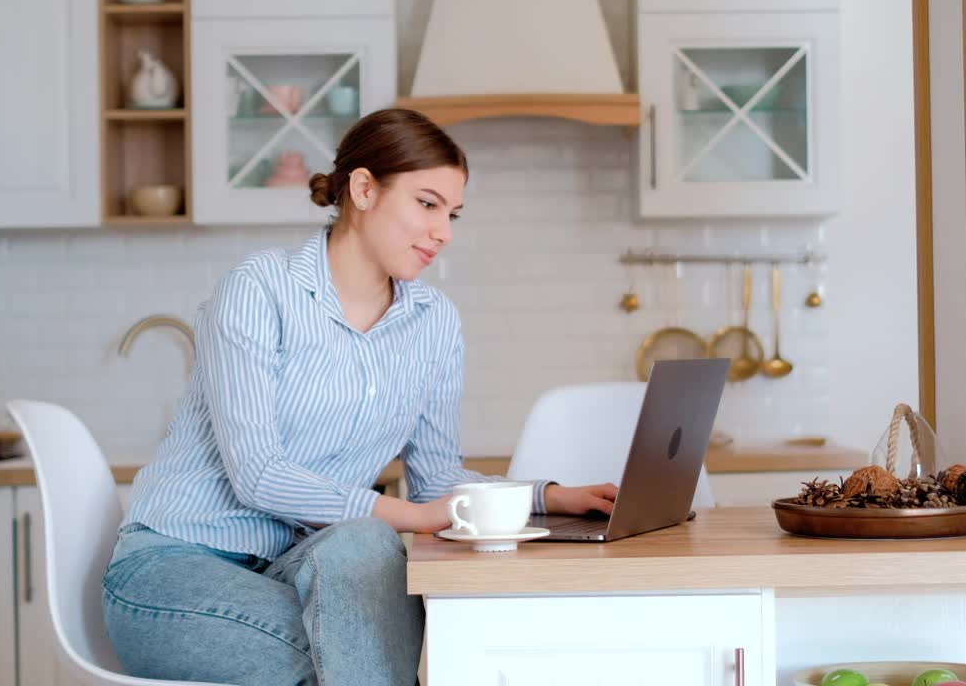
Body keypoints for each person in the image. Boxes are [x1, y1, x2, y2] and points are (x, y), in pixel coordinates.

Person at [101, 108, 619, 686]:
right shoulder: (260, 290)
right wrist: (408, 515)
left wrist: (549, 498)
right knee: (357, 647)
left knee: (362, 554)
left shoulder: (434, 322)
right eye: (427, 204)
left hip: (293, 566)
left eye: (452, 213)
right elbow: (258, 475)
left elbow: (437, 481)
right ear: (364, 188)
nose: (443, 232)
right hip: (175, 566)